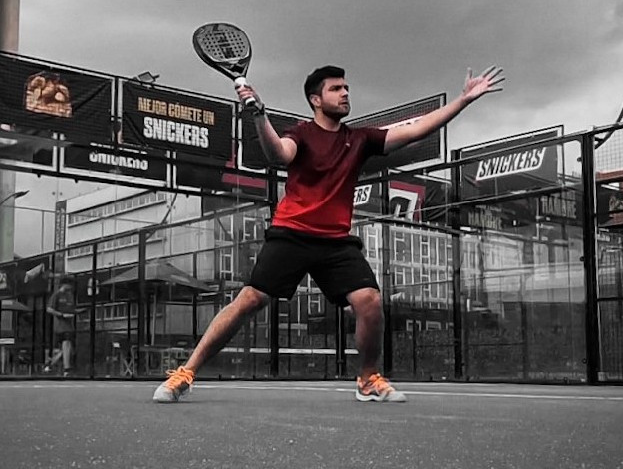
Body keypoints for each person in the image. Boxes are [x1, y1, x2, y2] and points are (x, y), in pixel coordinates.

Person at [154, 64, 504, 403]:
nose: (345, 93)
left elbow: (416, 130)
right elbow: (279, 154)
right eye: (336, 89)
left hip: (336, 242)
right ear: (316, 100)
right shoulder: (301, 134)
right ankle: (186, 372)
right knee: (249, 300)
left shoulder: (360, 139)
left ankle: (367, 379)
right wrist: (259, 115)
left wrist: (463, 100)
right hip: (291, 233)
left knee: (369, 301)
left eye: (346, 87)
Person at [45, 276, 76, 377]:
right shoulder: (57, 295)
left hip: (70, 325)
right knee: (66, 343)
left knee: (68, 348)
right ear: (64, 284)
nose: (71, 287)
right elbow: (49, 309)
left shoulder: (70, 296)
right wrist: (61, 315)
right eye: (70, 284)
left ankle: (50, 364)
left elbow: (71, 309)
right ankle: (67, 369)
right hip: (60, 325)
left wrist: (77, 312)